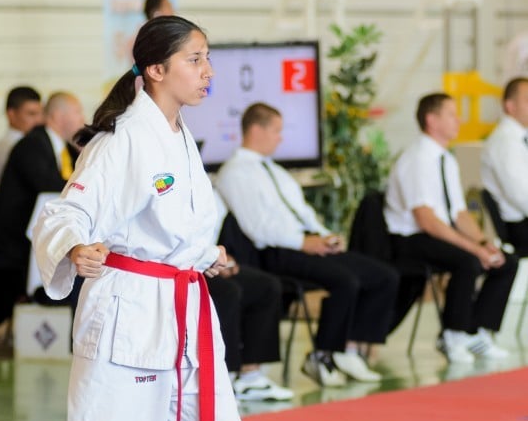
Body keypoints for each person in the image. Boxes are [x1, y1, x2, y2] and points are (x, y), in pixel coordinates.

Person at [28, 15, 294, 421]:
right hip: (127, 318)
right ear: (156, 70)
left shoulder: (180, 139)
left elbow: (179, 231)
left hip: (185, 319)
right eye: (196, 60)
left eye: (207, 59)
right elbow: (64, 213)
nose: (208, 72)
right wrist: (76, 248)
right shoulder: (120, 141)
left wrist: (206, 255)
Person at [215, 103, 398, 387]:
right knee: (345, 281)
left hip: (305, 242)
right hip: (276, 250)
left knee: (383, 276)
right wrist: (303, 243)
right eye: (276, 131)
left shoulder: (276, 171)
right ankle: (323, 354)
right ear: (256, 129)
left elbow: (302, 212)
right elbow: (258, 226)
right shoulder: (235, 172)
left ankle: (349, 349)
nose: (280, 138)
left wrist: (324, 236)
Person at [385, 92, 518, 364]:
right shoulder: (418, 158)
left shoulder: (446, 159)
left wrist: (484, 243)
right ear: (431, 120)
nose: (459, 119)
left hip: (438, 234)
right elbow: (427, 220)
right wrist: (473, 249)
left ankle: (477, 330)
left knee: (505, 260)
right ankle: (453, 334)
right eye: (451, 114)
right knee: (467, 261)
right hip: (410, 239)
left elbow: (458, 213)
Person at [0, 91, 85, 302]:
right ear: (59, 117)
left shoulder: (65, 148)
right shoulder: (32, 144)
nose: (82, 118)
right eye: (78, 112)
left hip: (46, 227)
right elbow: (51, 186)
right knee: (81, 260)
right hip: (20, 235)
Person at [208, 191, 293, 402]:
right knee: (228, 292)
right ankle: (223, 378)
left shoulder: (209, 187)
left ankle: (250, 376)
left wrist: (223, 259)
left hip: (209, 258)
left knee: (265, 286)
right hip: (180, 265)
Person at [481, 77, 528, 253]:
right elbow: (520, 194)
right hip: (519, 226)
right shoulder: (505, 142)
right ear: (510, 106)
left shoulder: (519, 137)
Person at [0, 86, 43, 186]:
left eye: (40, 114)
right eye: (31, 114)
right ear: (11, 115)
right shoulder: (7, 146)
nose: (38, 120)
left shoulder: (34, 142)